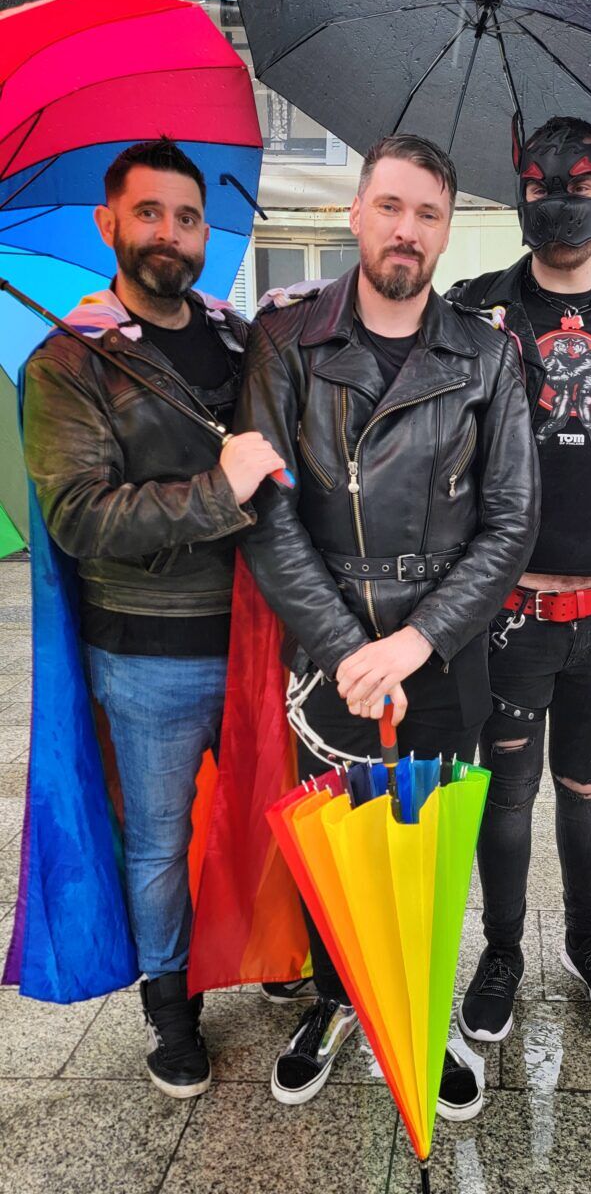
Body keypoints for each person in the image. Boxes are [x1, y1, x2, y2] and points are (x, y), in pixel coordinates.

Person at [232, 134, 539, 1114]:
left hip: (442, 655)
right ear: (356, 214)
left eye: (430, 213)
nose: (408, 229)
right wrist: (346, 648)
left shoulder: (487, 357)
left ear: (448, 232)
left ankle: (420, 1004)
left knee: (427, 845)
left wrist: (415, 641)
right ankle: (333, 999)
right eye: (393, 206)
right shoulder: (287, 343)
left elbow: (510, 520)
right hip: (329, 650)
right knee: (338, 848)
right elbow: (267, 519)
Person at [22, 138, 286, 1098]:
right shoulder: (69, 360)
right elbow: (80, 517)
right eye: (149, 214)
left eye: (185, 217)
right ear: (110, 224)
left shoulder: (233, 339)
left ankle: (274, 956)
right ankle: (169, 1006)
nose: (169, 235)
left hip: (259, 636)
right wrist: (218, 492)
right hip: (146, 655)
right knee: (160, 842)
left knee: (268, 818)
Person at [448, 112, 591, 1041]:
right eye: (543, 185)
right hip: (511, 612)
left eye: (580, 183)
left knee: (587, 783)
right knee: (507, 791)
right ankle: (502, 952)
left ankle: (589, 942)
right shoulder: (470, 312)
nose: (561, 199)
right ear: (517, 190)